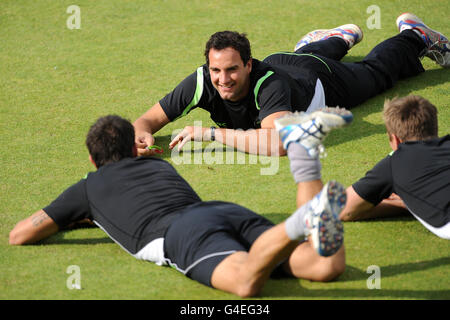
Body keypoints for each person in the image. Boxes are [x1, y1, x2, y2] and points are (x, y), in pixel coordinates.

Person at [9, 108, 351, 297]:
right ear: (133, 149)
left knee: (246, 283)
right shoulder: (156, 163)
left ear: (91, 159)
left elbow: (20, 234)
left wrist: (79, 215)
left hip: (182, 233)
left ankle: (301, 221)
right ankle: (303, 154)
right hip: (222, 210)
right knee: (325, 266)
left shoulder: (87, 188)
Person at [133, 13, 449, 157]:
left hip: (320, 83)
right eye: (216, 70)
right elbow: (146, 120)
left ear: (248, 65)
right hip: (286, 61)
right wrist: (142, 135)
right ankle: (335, 38)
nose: (223, 79)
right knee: (308, 55)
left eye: (232, 69)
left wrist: (208, 133)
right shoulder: (202, 81)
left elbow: (279, 145)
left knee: (376, 74)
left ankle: (414, 35)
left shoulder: (267, 85)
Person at [339, 95, 450, 240]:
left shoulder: (393, 164)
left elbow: (343, 209)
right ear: (435, 127)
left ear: (395, 139)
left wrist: (405, 204)